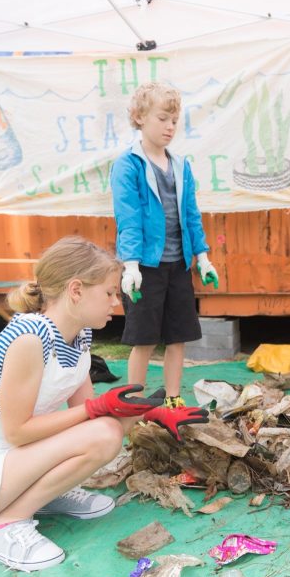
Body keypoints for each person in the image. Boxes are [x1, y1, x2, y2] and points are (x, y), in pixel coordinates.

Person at [0, 237, 206, 571]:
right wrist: (97, 409)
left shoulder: (79, 336)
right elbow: (17, 432)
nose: (116, 302)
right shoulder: (30, 337)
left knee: (109, 429)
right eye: (109, 292)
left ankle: (41, 497)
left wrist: (153, 412)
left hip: (12, 460)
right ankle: (3, 526)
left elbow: (90, 411)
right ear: (76, 290)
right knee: (103, 433)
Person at [111, 82, 219, 405]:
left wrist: (202, 257)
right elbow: (127, 218)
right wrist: (130, 265)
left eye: (174, 120)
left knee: (178, 337)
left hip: (179, 266)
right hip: (144, 268)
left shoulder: (181, 165)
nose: (170, 127)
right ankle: (134, 401)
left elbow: (191, 215)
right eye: (162, 119)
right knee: (143, 339)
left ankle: (173, 398)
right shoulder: (128, 165)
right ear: (140, 117)